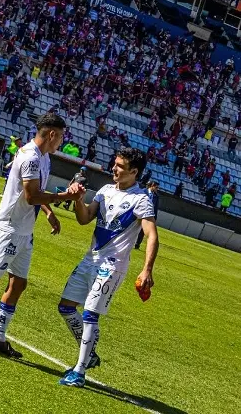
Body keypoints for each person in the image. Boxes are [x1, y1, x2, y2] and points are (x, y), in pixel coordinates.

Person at [0, 114, 84, 356]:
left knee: (19, 283)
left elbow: (35, 192)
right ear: (52, 134)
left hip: (25, 232)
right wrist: (65, 197)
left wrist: (47, 213)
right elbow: (32, 195)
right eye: (61, 136)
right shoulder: (31, 157)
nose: (62, 142)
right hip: (8, 229)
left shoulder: (43, 158)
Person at [58, 147, 158, 387]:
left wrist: (147, 269)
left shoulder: (141, 199)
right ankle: (90, 354)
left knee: (90, 314)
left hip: (112, 266)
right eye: (115, 164)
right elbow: (84, 218)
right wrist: (78, 200)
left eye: (120, 166)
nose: (114, 169)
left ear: (134, 172)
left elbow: (152, 236)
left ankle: (80, 371)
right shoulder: (104, 191)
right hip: (90, 259)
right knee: (65, 307)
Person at [134, 180, 159, 249]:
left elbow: (155, 208)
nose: (157, 189)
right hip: (139, 212)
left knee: (143, 230)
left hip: (148, 215)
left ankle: (137, 244)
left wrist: (154, 217)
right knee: (134, 228)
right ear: (152, 186)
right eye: (156, 187)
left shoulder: (156, 196)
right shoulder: (143, 192)